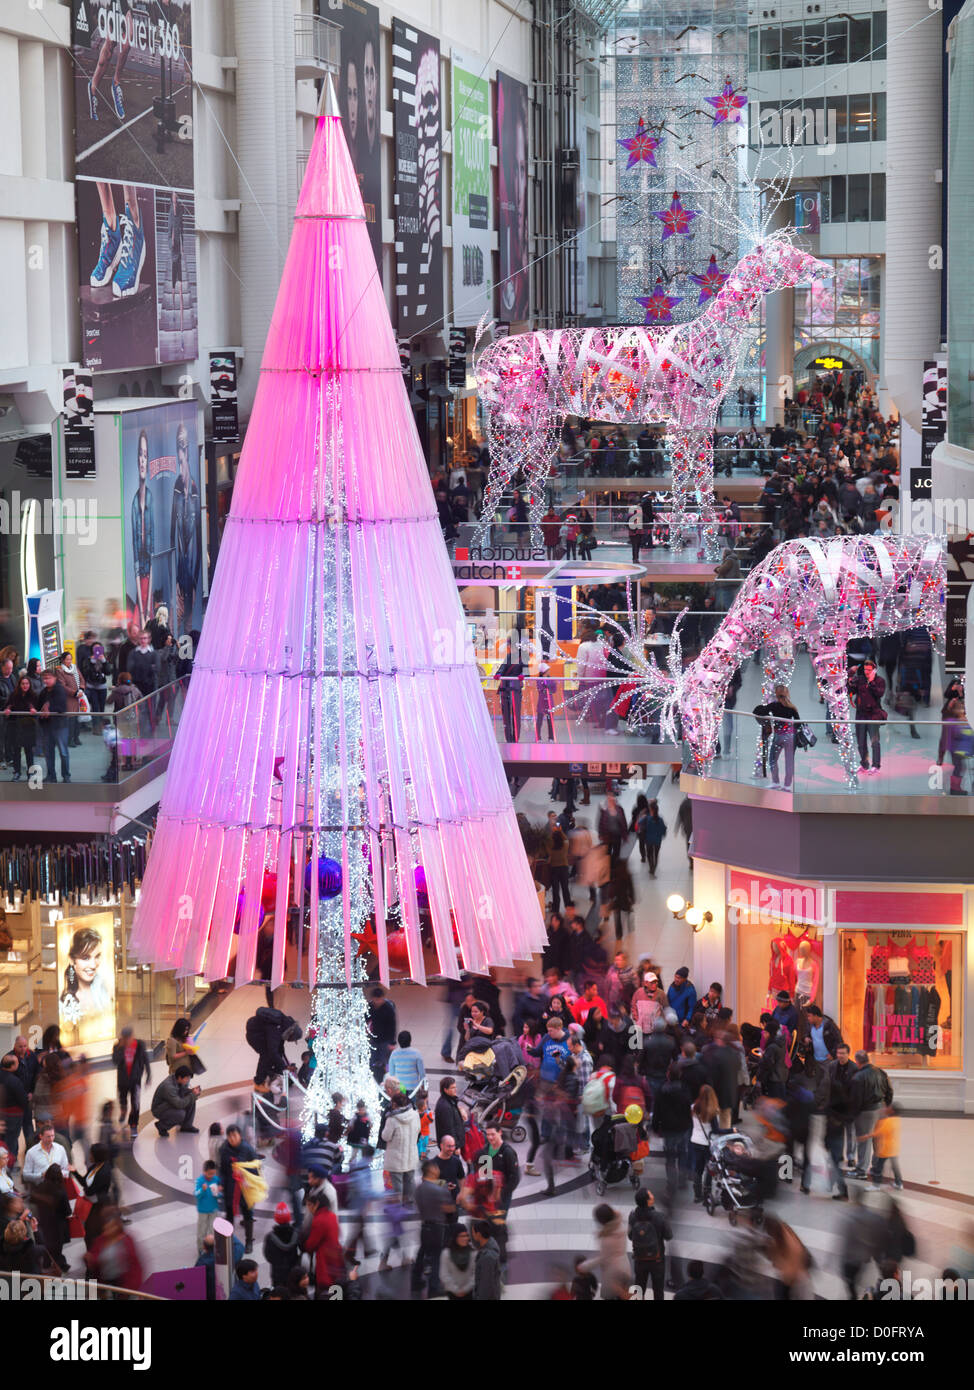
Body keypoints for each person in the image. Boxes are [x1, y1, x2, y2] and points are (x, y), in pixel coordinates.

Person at [411, 1158, 452, 1299]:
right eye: (436, 1167)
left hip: (424, 1226)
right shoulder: (439, 1189)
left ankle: (415, 1281)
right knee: (435, 1258)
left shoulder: (419, 1189)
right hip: (437, 1227)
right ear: (432, 1170)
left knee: (422, 1253)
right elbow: (449, 1208)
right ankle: (434, 1287)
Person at [849, 1050, 893, 1178]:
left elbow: (856, 1100)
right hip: (881, 1109)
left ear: (857, 1062)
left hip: (866, 1112)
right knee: (878, 1140)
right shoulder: (881, 1072)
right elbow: (890, 1091)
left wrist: (853, 1115)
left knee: (864, 1141)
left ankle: (861, 1170)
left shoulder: (858, 1077)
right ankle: (876, 1168)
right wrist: (886, 1106)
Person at [219, 1123, 258, 1252]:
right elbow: (223, 1169)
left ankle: (249, 1242)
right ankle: (228, 1240)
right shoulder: (224, 1149)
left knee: (248, 1214)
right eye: (229, 1136)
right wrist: (221, 1183)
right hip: (230, 1187)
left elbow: (255, 1168)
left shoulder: (248, 1149)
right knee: (229, 1214)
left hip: (245, 1188)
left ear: (240, 1136)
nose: (232, 1139)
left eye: (234, 1135)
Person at [578, 1203, 630, 1300]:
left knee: (611, 1295)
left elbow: (603, 1258)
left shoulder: (606, 1238)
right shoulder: (621, 1226)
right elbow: (620, 1214)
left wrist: (585, 1266)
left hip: (613, 1273)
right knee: (623, 1294)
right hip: (625, 1267)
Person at [628, 1188, 673, 1300]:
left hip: (639, 1259)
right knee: (658, 1290)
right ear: (648, 1201)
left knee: (639, 1289)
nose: (652, 1195)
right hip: (657, 1260)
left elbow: (630, 1236)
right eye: (650, 1194)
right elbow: (669, 1236)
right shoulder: (660, 1217)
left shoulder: (632, 1217)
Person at [111, 1025, 151, 1139]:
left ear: (132, 1036)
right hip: (123, 1081)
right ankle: (123, 1112)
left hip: (135, 1080)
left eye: (129, 1038)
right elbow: (115, 1061)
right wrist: (120, 1048)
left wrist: (148, 1075)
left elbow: (145, 1060)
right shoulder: (117, 1046)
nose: (127, 1040)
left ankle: (133, 1125)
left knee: (135, 1104)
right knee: (122, 1101)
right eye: (125, 1038)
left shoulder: (139, 1045)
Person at [380, 1090, 420, 1203]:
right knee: (410, 1179)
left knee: (397, 1182)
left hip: (395, 1156)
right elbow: (418, 1131)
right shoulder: (415, 1115)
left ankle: (397, 1205)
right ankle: (409, 1202)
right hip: (411, 1154)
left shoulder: (392, 1119)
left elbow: (385, 1137)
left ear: (394, 1104)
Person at [849, 657, 887, 774]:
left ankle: (876, 765)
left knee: (874, 742)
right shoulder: (860, 680)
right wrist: (850, 675)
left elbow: (879, 693)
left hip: (873, 715)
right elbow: (850, 689)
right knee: (861, 742)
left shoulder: (880, 681)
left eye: (869, 670)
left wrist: (871, 682)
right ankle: (864, 764)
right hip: (860, 715)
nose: (867, 672)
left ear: (874, 670)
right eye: (865, 670)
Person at [32, 1164, 71, 1274]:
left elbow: (33, 1199)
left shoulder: (40, 1186)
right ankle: (59, 1265)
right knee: (57, 1248)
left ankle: (50, 1263)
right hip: (58, 1225)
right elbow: (67, 1211)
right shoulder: (61, 1191)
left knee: (46, 1244)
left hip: (44, 1221)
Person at [35, 669, 70, 783]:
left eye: (49, 678)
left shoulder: (59, 689)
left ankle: (65, 775)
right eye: (44, 678)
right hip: (47, 726)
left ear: (55, 678)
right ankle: (51, 775)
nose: (46, 680)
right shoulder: (44, 692)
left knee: (63, 752)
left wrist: (49, 710)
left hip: (60, 726)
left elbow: (62, 708)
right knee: (49, 753)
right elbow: (38, 706)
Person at [3, 675, 38, 781]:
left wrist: (33, 710)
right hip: (16, 727)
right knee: (16, 751)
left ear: (29, 684)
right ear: (19, 685)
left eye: (27, 683)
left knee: (29, 751)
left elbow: (37, 708)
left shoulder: (33, 695)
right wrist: (8, 709)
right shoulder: (14, 695)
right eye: (23, 684)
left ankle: (30, 773)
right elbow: (8, 706)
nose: (25, 686)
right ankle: (17, 772)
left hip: (29, 726)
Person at [150, 1065, 200, 1136]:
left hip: (169, 1103)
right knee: (180, 1114)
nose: (188, 1080)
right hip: (159, 1109)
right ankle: (162, 1126)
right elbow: (179, 1104)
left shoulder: (177, 1079)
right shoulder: (168, 1087)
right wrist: (192, 1095)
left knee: (191, 1099)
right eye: (187, 1078)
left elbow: (181, 1092)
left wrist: (192, 1092)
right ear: (180, 1077)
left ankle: (186, 1126)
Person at [768, 684, 800, 790]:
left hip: (778, 736)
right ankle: (787, 785)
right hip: (790, 737)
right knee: (789, 761)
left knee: (772, 759)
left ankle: (775, 782)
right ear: (787, 694)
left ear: (776, 694)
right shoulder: (792, 708)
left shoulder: (773, 706)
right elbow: (798, 723)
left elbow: (758, 711)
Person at [22, 1123, 70, 1193]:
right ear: (41, 1136)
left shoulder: (60, 1149)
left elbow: (66, 1170)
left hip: (58, 1189)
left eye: (52, 1136)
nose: (51, 1139)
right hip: (41, 1190)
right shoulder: (31, 1153)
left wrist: (58, 1175)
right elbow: (25, 1176)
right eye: (48, 1136)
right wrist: (41, 1175)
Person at [263, 1201, 302, 1285]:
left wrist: (276, 1262)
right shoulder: (296, 1234)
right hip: (293, 1271)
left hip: (277, 1273)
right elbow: (303, 1249)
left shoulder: (270, 1237)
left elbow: (268, 1255)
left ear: (276, 1218)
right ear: (289, 1217)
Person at [440, 1223, 476, 1300]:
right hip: (453, 1294)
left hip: (471, 1293)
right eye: (462, 1236)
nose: (465, 1238)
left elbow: (476, 1273)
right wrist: (456, 1290)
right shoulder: (446, 1254)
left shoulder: (472, 1253)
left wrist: (466, 1289)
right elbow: (444, 1274)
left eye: (466, 1235)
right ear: (455, 1237)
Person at [368, 988, 397, 1081]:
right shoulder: (370, 1006)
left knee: (383, 1060)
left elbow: (392, 1026)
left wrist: (392, 1042)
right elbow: (366, 1019)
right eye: (376, 999)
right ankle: (373, 1078)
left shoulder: (388, 1008)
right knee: (372, 1060)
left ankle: (383, 1079)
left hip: (385, 1039)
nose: (377, 1002)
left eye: (379, 999)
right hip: (373, 1038)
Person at [471, 1218, 502, 1300]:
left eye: (473, 1232)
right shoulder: (490, 1247)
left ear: (478, 1234)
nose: (472, 1235)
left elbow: (486, 1285)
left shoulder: (487, 1257)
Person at [434, 1076, 466, 1149]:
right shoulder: (445, 1106)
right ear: (445, 1090)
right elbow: (449, 1130)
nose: (456, 1089)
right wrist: (455, 1147)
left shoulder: (449, 1101)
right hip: (450, 1147)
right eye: (452, 1088)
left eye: (455, 1087)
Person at [639, 799, 667, 875]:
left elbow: (639, 823)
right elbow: (664, 829)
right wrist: (662, 835)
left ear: (651, 810)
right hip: (658, 841)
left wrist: (642, 816)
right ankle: (654, 868)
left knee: (649, 854)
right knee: (656, 855)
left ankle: (651, 868)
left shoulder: (647, 818)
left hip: (649, 840)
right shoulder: (660, 819)